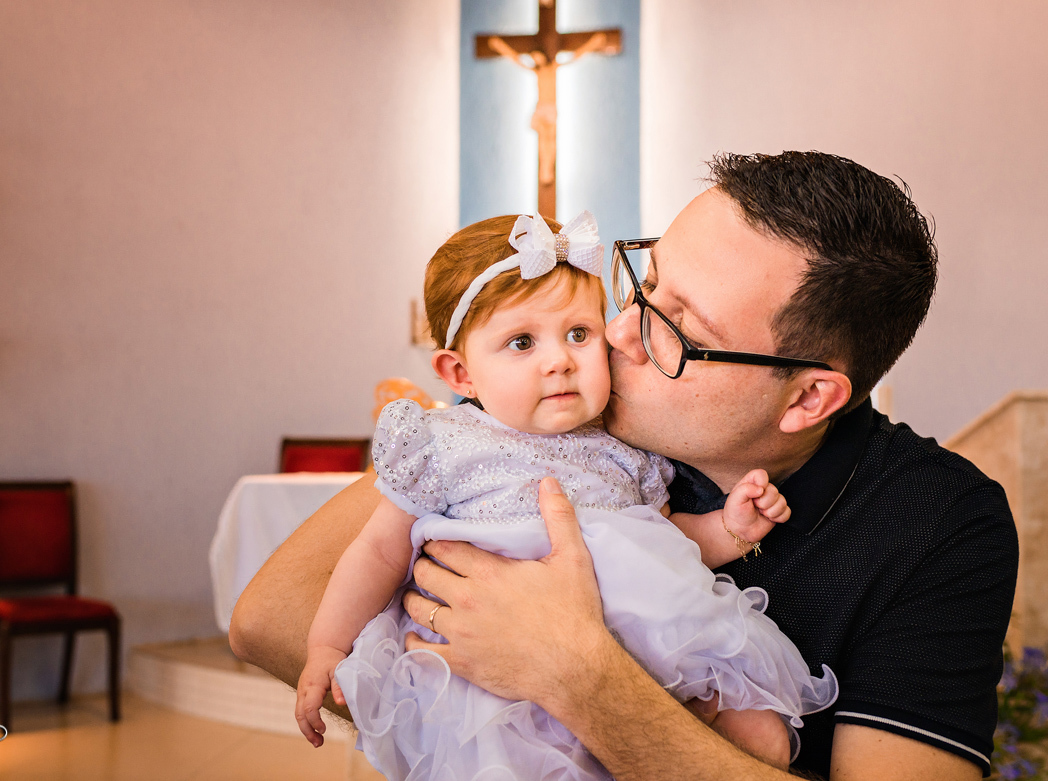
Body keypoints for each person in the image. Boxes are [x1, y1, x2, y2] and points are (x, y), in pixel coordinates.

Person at [233, 152, 1018, 781]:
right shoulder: (540, 417)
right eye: (643, 282)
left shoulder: (940, 523)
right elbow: (269, 618)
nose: (613, 332)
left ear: (809, 398)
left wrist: (576, 674)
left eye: (679, 327)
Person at [294, 211, 836, 778]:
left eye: (579, 334)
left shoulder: (626, 446)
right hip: (496, 670)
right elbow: (377, 552)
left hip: (644, 655)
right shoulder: (443, 446)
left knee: (763, 736)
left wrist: (727, 528)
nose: (560, 361)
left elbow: (663, 540)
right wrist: (327, 648)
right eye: (521, 342)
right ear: (460, 375)